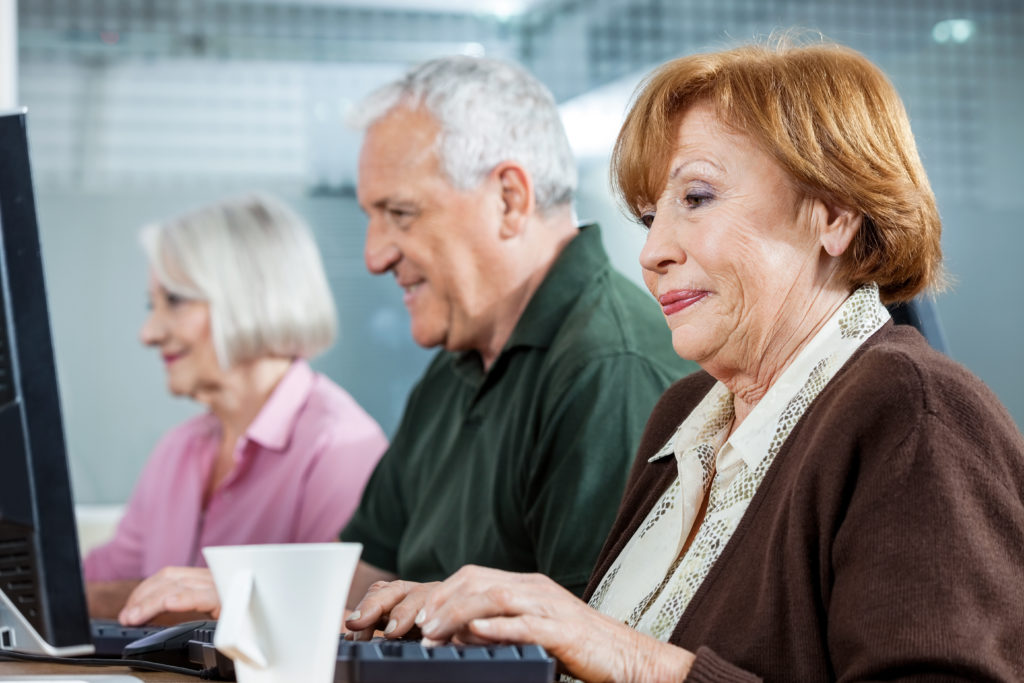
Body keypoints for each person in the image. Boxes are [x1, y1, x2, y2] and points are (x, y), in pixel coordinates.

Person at [342, 40, 1024, 681]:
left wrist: (631, 657)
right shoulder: (687, 412)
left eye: (696, 199)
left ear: (834, 216)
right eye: (648, 216)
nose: (652, 251)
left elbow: (621, 656)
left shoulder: (913, 413)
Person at [116, 56, 695, 626]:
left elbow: (581, 646)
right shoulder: (454, 368)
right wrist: (238, 591)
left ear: (509, 200)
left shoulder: (607, 369)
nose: (374, 256)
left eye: (400, 212)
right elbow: (370, 572)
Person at [84, 193, 389, 619]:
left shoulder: (339, 446)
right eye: (151, 305)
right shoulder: (179, 449)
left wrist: (102, 601)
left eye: (174, 300)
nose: (148, 333)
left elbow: (336, 619)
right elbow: (96, 580)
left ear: (247, 296)